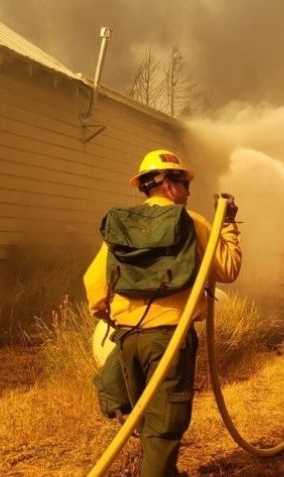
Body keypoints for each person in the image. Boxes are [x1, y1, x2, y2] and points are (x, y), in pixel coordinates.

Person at [83, 149, 241, 477]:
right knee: (165, 428)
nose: (189, 189)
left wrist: (110, 316)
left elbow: (94, 283)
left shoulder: (123, 226)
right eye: (183, 181)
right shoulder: (191, 222)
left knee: (147, 419)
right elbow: (227, 268)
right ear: (168, 184)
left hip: (127, 339)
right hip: (168, 341)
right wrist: (227, 226)